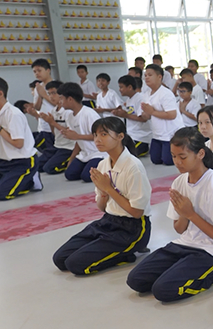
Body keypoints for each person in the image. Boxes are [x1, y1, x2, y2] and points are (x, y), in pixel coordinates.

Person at [126, 127, 213, 302]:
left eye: (182, 157)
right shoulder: (179, 182)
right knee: (136, 280)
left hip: (212, 251)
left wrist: (190, 214)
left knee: (163, 290)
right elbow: (179, 229)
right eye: (174, 156)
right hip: (184, 244)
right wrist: (185, 214)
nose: (177, 162)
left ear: (200, 154)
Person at [53, 117, 151, 274]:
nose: (97, 140)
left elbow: (137, 212)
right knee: (60, 258)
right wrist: (104, 193)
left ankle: (125, 255)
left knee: (75, 265)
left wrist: (109, 189)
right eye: (95, 135)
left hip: (133, 228)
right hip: (108, 221)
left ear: (120, 136)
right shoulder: (103, 164)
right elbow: (102, 208)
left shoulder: (134, 167)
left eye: (104, 134)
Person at [0, 77, 42, 199]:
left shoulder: (13, 114)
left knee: (2, 193)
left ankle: (31, 180)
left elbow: (18, 143)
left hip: (22, 161)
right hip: (3, 161)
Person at [141, 64, 181, 166]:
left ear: (159, 77)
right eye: (145, 75)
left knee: (168, 161)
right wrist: (144, 113)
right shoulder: (146, 94)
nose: (147, 77)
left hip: (170, 134)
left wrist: (152, 112)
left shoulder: (166, 93)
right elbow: (147, 116)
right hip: (157, 133)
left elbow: (172, 115)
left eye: (150, 75)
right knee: (155, 160)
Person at [112, 75, 150, 157]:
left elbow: (144, 119)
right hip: (131, 135)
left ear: (129, 87)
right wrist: (120, 113)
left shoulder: (140, 98)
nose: (119, 90)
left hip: (141, 136)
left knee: (127, 156)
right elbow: (130, 114)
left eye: (121, 87)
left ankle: (145, 148)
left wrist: (125, 115)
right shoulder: (129, 99)